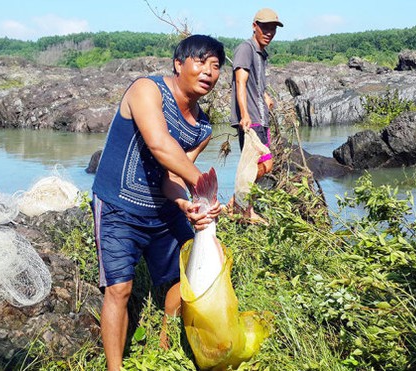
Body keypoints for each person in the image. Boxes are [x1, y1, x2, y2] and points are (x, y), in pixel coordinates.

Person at [90, 35, 224, 371]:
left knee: (187, 268)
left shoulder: (202, 127)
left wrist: (188, 204)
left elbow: (172, 179)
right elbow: (161, 144)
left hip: (161, 210)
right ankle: (114, 367)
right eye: (200, 62)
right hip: (118, 206)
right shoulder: (146, 90)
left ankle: (165, 342)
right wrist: (203, 186)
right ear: (179, 64)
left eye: (216, 66)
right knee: (119, 288)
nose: (208, 71)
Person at [228, 8, 283, 224]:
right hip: (252, 119)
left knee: (263, 164)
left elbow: (255, 84)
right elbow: (240, 82)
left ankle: (240, 206)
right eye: (265, 27)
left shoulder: (261, 53)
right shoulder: (246, 48)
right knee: (263, 165)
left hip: (261, 117)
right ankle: (240, 206)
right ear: (254, 26)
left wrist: (266, 96)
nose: (269, 32)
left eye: (273, 29)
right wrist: (244, 114)